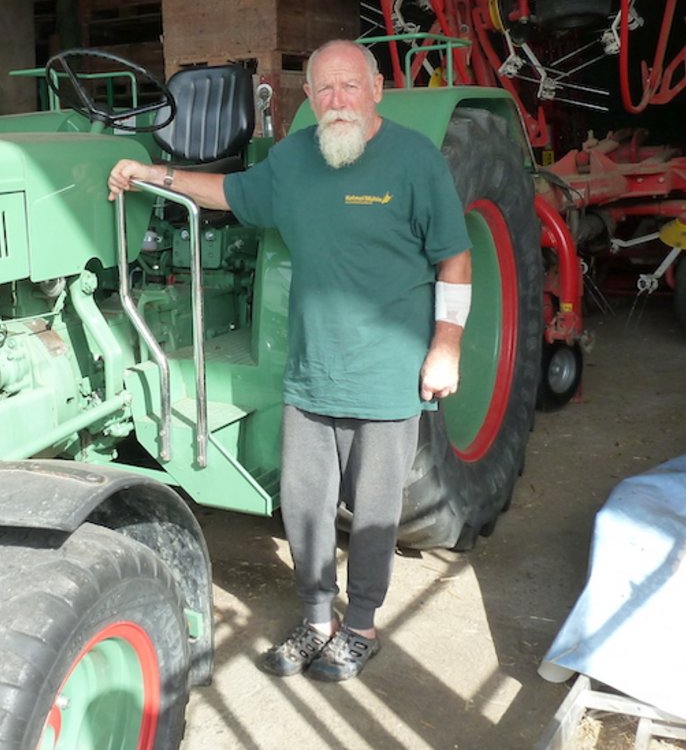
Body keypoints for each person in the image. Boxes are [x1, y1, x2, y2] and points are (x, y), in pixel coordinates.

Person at [107, 39, 472, 682]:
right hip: (310, 370)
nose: (337, 101)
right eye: (324, 90)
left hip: (388, 374)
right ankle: (316, 620)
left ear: (377, 90)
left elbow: (454, 255)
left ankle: (360, 624)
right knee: (304, 505)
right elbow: (226, 192)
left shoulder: (415, 161)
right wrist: (148, 173)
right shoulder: (295, 159)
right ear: (309, 97)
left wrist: (446, 345)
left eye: (350, 87)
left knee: (377, 509)